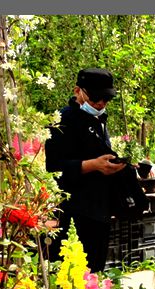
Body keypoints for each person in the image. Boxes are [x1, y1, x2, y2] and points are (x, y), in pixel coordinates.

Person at [45, 67, 124, 272]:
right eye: (95, 98)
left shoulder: (98, 120)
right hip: (74, 210)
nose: (100, 104)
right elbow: (53, 166)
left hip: (99, 209)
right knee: (73, 271)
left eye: (106, 99)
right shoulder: (61, 120)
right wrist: (93, 165)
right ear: (77, 91)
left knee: (95, 272)